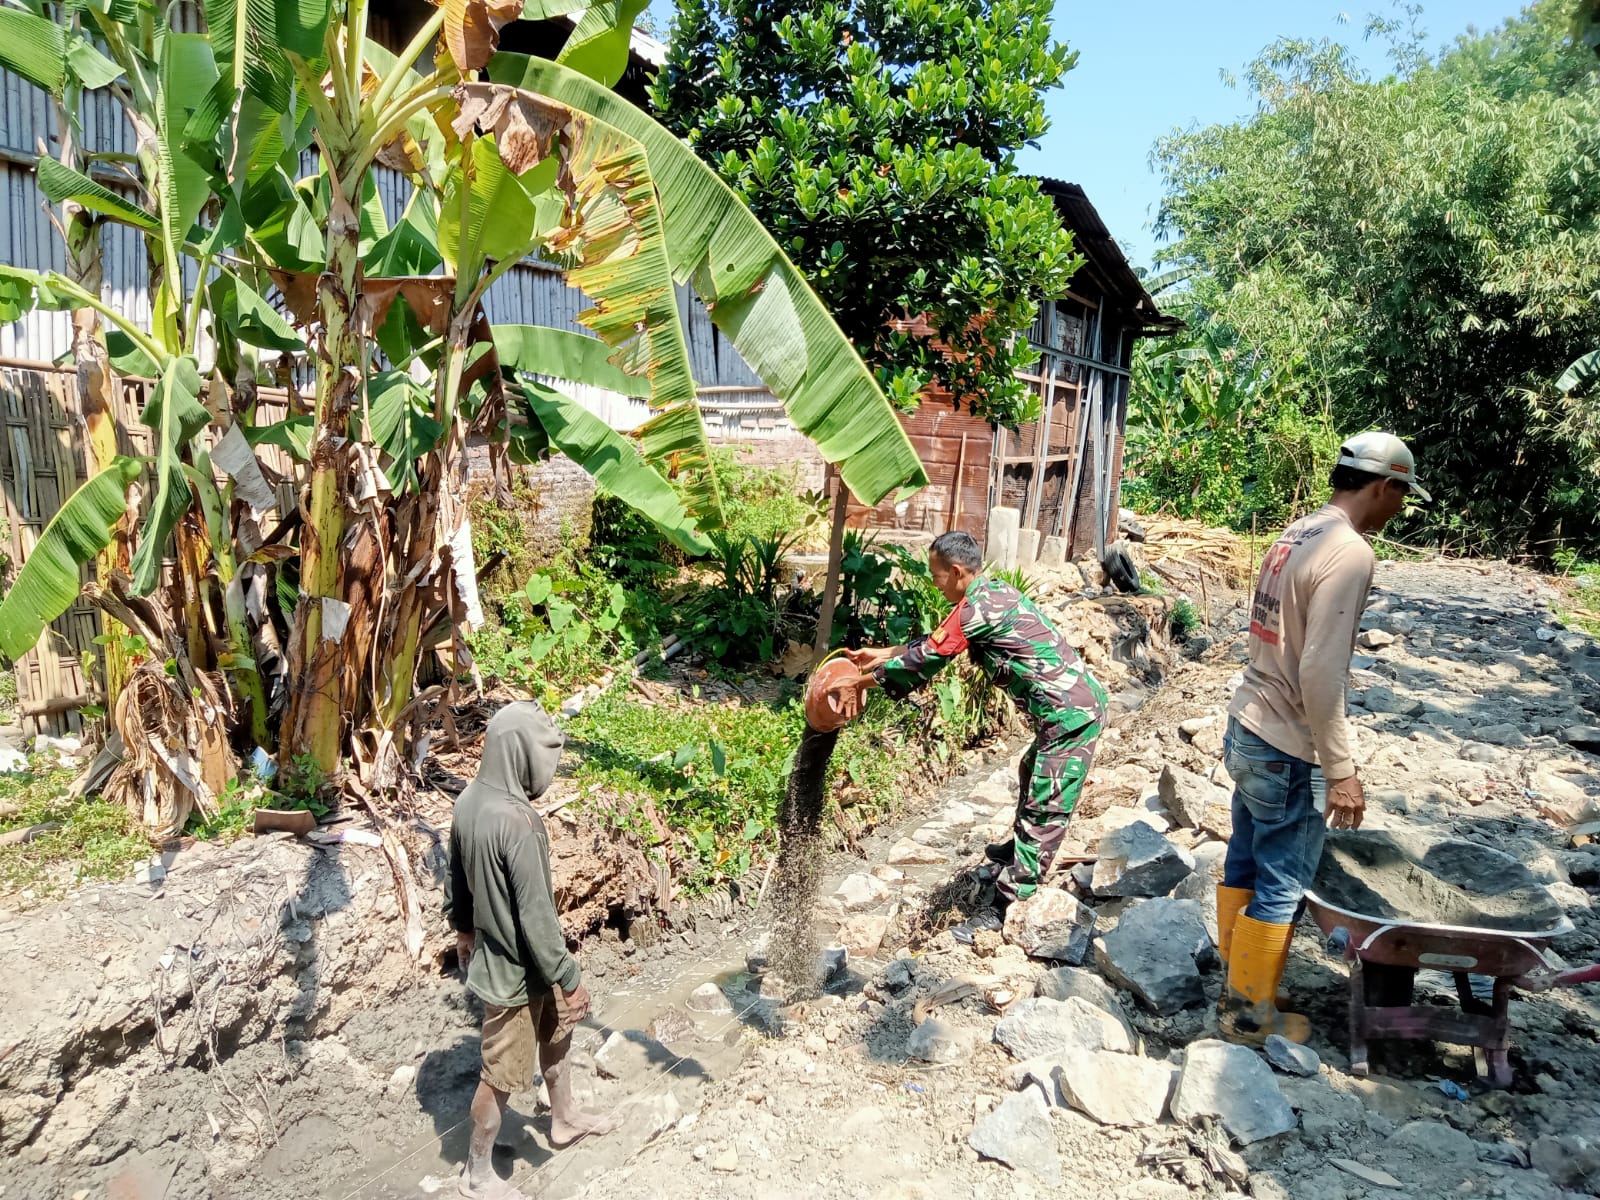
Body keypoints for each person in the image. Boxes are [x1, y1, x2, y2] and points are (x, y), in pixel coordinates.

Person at [1217, 431, 1426, 1047]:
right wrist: (1340, 769)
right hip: (1285, 741)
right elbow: (1319, 669)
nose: (1399, 509)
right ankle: (1251, 1018)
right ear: (1384, 485)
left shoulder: (1298, 532)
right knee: (1282, 880)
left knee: (1246, 857)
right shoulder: (1351, 552)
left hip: (1248, 720)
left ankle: (1240, 985)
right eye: (1402, 495)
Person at [843, 530, 1107, 943]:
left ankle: (1008, 902)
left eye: (936, 576)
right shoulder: (987, 595)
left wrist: (862, 684)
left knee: (1047, 800)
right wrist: (881, 655)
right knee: (1030, 766)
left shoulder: (977, 608)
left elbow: (930, 657)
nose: (934, 583)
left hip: (1070, 714)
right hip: (1066, 708)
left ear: (956, 571)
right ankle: (1021, 847)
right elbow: (936, 642)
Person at [445, 702, 617, 1200]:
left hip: (512, 962)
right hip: (516, 975)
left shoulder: (468, 802)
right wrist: (569, 975)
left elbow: (459, 881)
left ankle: (562, 1118)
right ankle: (476, 1173)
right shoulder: (519, 822)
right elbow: (538, 917)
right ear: (521, 755)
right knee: (499, 1075)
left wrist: (463, 929)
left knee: (557, 1033)